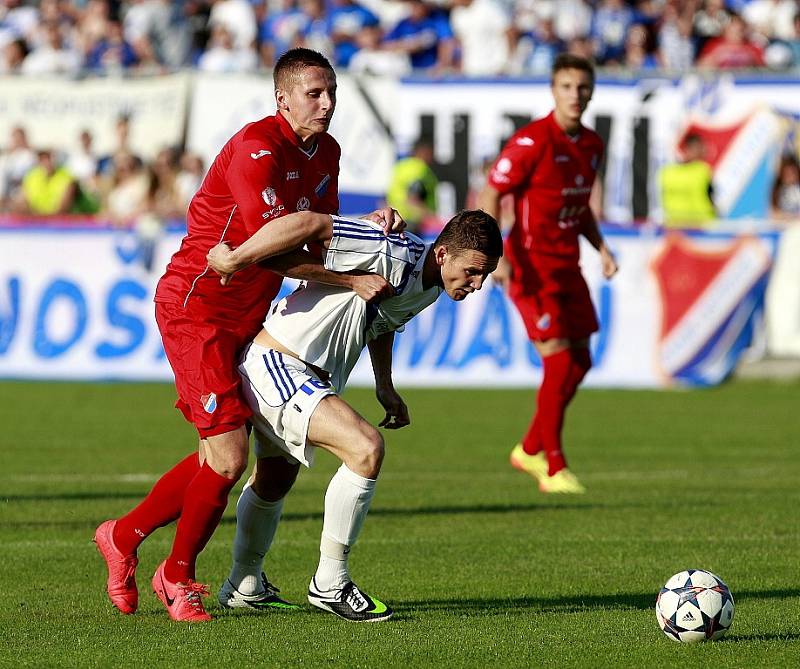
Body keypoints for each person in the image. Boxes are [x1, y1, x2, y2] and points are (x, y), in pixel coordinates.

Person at [93, 47, 400, 623]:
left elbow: (318, 238)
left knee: (223, 451)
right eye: (314, 93)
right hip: (198, 308)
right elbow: (275, 251)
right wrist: (346, 279)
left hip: (250, 314)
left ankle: (124, 535)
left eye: (332, 92)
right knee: (230, 455)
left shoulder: (326, 151)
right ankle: (178, 578)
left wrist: (373, 224)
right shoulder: (257, 149)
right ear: (282, 98)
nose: (327, 103)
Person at [205, 209, 502, 621]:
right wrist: (241, 259)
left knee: (274, 480)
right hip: (279, 363)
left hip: (303, 372)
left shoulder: (430, 285)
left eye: (484, 275)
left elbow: (380, 322)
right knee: (366, 448)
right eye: (473, 271)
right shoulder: (390, 248)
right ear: (443, 254)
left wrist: (385, 385)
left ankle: (244, 583)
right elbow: (309, 226)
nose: (477, 284)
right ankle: (331, 582)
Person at [477, 53, 618, 495]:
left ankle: (529, 446)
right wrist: (494, 254)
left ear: (592, 91)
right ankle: (552, 464)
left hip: (568, 265)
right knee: (558, 360)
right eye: (567, 87)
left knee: (580, 361)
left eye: (583, 88)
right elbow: (491, 192)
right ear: (553, 91)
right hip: (530, 266)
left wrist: (602, 248)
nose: (575, 95)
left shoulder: (592, 145)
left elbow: (579, 209)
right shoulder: (532, 141)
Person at [659, 133, 716, 228]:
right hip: (693, 226)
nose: (701, 152)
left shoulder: (666, 172)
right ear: (686, 149)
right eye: (697, 149)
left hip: (685, 225)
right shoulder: (702, 170)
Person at [386, 136, 439, 235]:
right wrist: (431, 218)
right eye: (432, 153)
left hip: (395, 220)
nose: (433, 157)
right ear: (424, 152)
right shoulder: (419, 169)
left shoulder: (401, 166)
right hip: (410, 223)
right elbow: (413, 199)